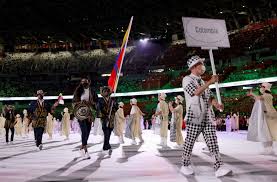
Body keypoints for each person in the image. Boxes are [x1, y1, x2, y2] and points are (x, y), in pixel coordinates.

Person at [181, 55, 232, 177]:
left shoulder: (203, 81)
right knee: (190, 141)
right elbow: (196, 92)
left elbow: (210, 97)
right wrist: (210, 81)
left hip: (207, 116)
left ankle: (219, 166)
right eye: (200, 64)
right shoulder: (187, 79)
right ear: (193, 67)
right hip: (194, 115)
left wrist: (217, 105)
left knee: (212, 141)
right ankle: (185, 164)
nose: (203, 66)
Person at [247, 83, 277, 155]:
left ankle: (268, 149)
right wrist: (252, 95)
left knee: (268, 131)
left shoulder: (267, 95)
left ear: (266, 88)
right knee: (268, 132)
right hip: (269, 114)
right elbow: (258, 99)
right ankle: (268, 149)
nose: (261, 88)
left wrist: (252, 93)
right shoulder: (267, 95)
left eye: (262, 87)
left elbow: (259, 98)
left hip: (270, 115)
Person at [72, 76, 98, 159]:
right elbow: (73, 102)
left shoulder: (92, 91)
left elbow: (97, 102)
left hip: (90, 114)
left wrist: (91, 103)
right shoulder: (78, 91)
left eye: (85, 81)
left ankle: (82, 147)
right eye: (82, 82)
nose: (83, 83)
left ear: (89, 82)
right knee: (84, 130)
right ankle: (85, 149)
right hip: (81, 114)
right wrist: (80, 102)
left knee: (88, 131)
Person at [98, 86, 117, 155]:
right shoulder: (100, 100)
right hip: (104, 119)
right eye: (104, 91)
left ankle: (107, 144)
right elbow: (99, 109)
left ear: (109, 92)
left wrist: (114, 105)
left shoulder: (112, 100)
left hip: (111, 118)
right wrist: (103, 116)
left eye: (107, 91)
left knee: (109, 132)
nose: (106, 92)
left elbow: (116, 109)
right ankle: (105, 146)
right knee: (106, 132)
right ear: (102, 93)